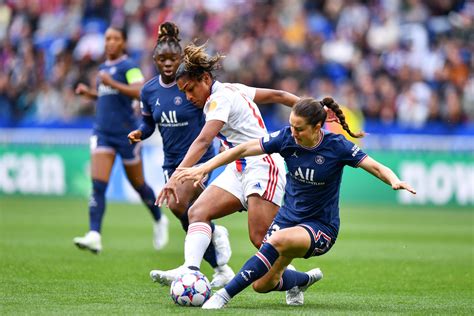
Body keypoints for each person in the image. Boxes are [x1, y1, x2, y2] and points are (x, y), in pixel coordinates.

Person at [176, 97, 417, 309]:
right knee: (262, 285)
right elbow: (244, 148)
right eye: (291, 126)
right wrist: (206, 167)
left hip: (320, 227)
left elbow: (374, 166)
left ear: (317, 127)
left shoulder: (337, 146)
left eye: (299, 128)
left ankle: (222, 297)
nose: (293, 132)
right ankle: (302, 280)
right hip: (287, 219)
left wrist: (394, 180)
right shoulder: (286, 138)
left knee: (276, 240)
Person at [149, 43, 301, 285]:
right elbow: (278, 96)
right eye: (184, 93)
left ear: (205, 79)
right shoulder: (232, 89)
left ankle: (297, 279)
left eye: (190, 90)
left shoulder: (219, 99)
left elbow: (203, 139)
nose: (188, 98)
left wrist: (179, 175)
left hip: (262, 165)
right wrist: (309, 104)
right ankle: (190, 271)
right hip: (238, 167)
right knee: (197, 212)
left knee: (261, 238)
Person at [127, 22, 234, 288]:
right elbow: (148, 123)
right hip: (171, 161)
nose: (167, 63)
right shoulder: (149, 91)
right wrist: (140, 133)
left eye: (172, 59)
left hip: (199, 158)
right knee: (192, 214)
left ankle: (190, 267)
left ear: (180, 59)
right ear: (154, 59)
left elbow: (213, 115)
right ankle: (220, 266)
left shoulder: (190, 85)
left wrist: (220, 141)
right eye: (162, 59)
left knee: (177, 205)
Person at [73, 26, 167, 254]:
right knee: (98, 185)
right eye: (107, 38)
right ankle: (94, 234)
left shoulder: (129, 67)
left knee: (139, 186)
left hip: (127, 134)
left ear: (123, 43)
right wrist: (91, 94)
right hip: (103, 132)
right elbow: (110, 96)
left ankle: (159, 219)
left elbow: (139, 91)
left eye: (115, 38)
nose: (110, 42)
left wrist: (110, 82)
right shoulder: (103, 68)